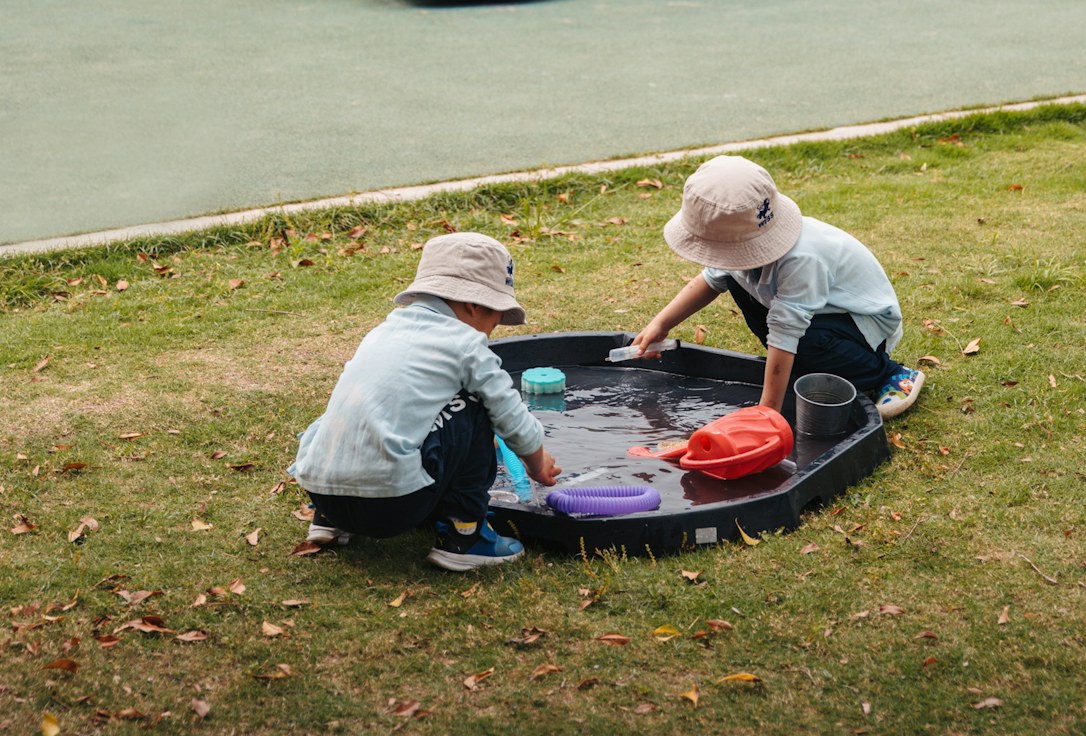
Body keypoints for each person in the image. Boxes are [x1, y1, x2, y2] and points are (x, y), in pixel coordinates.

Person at [289, 232, 560, 570]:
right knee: (477, 402)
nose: (492, 331)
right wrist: (536, 461)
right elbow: (509, 413)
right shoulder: (465, 343)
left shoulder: (382, 333)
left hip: (322, 488)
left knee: (359, 405)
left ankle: (328, 519)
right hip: (393, 505)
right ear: (474, 305)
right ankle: (467, 535)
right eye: (495, 319)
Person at [631, 156, 924, 419]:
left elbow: (786, 330)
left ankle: (889, 372)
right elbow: (711, 279)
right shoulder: (741, 240)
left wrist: (766, 414)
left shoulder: (802, 259)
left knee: (804, 341)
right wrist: (662, 324)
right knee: (736, 282)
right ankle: (801, 366)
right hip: (817, 314)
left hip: (860, 327)